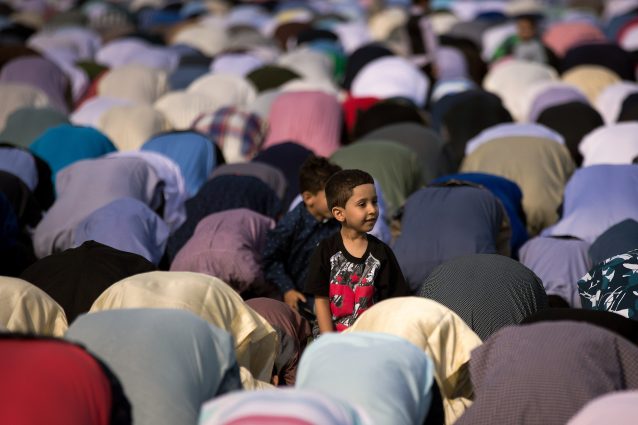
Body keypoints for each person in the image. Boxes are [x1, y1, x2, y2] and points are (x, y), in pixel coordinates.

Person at [305, 169, 410, 334]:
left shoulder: (382, 253)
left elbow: (393, 304)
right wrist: (329, 341)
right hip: (331, 338)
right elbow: (321, 300)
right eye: (362, 204)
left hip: (371, 337)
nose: (372, 210)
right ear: (339, 214)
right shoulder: (325, 250)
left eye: (374, 202)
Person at [262, 156, 342, 312]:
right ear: (309, 198)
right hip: (300, 300)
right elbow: (271, 259)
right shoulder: (291, 224)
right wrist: (288, 289)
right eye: (331, 196)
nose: (338, 200)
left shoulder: (338, 221)